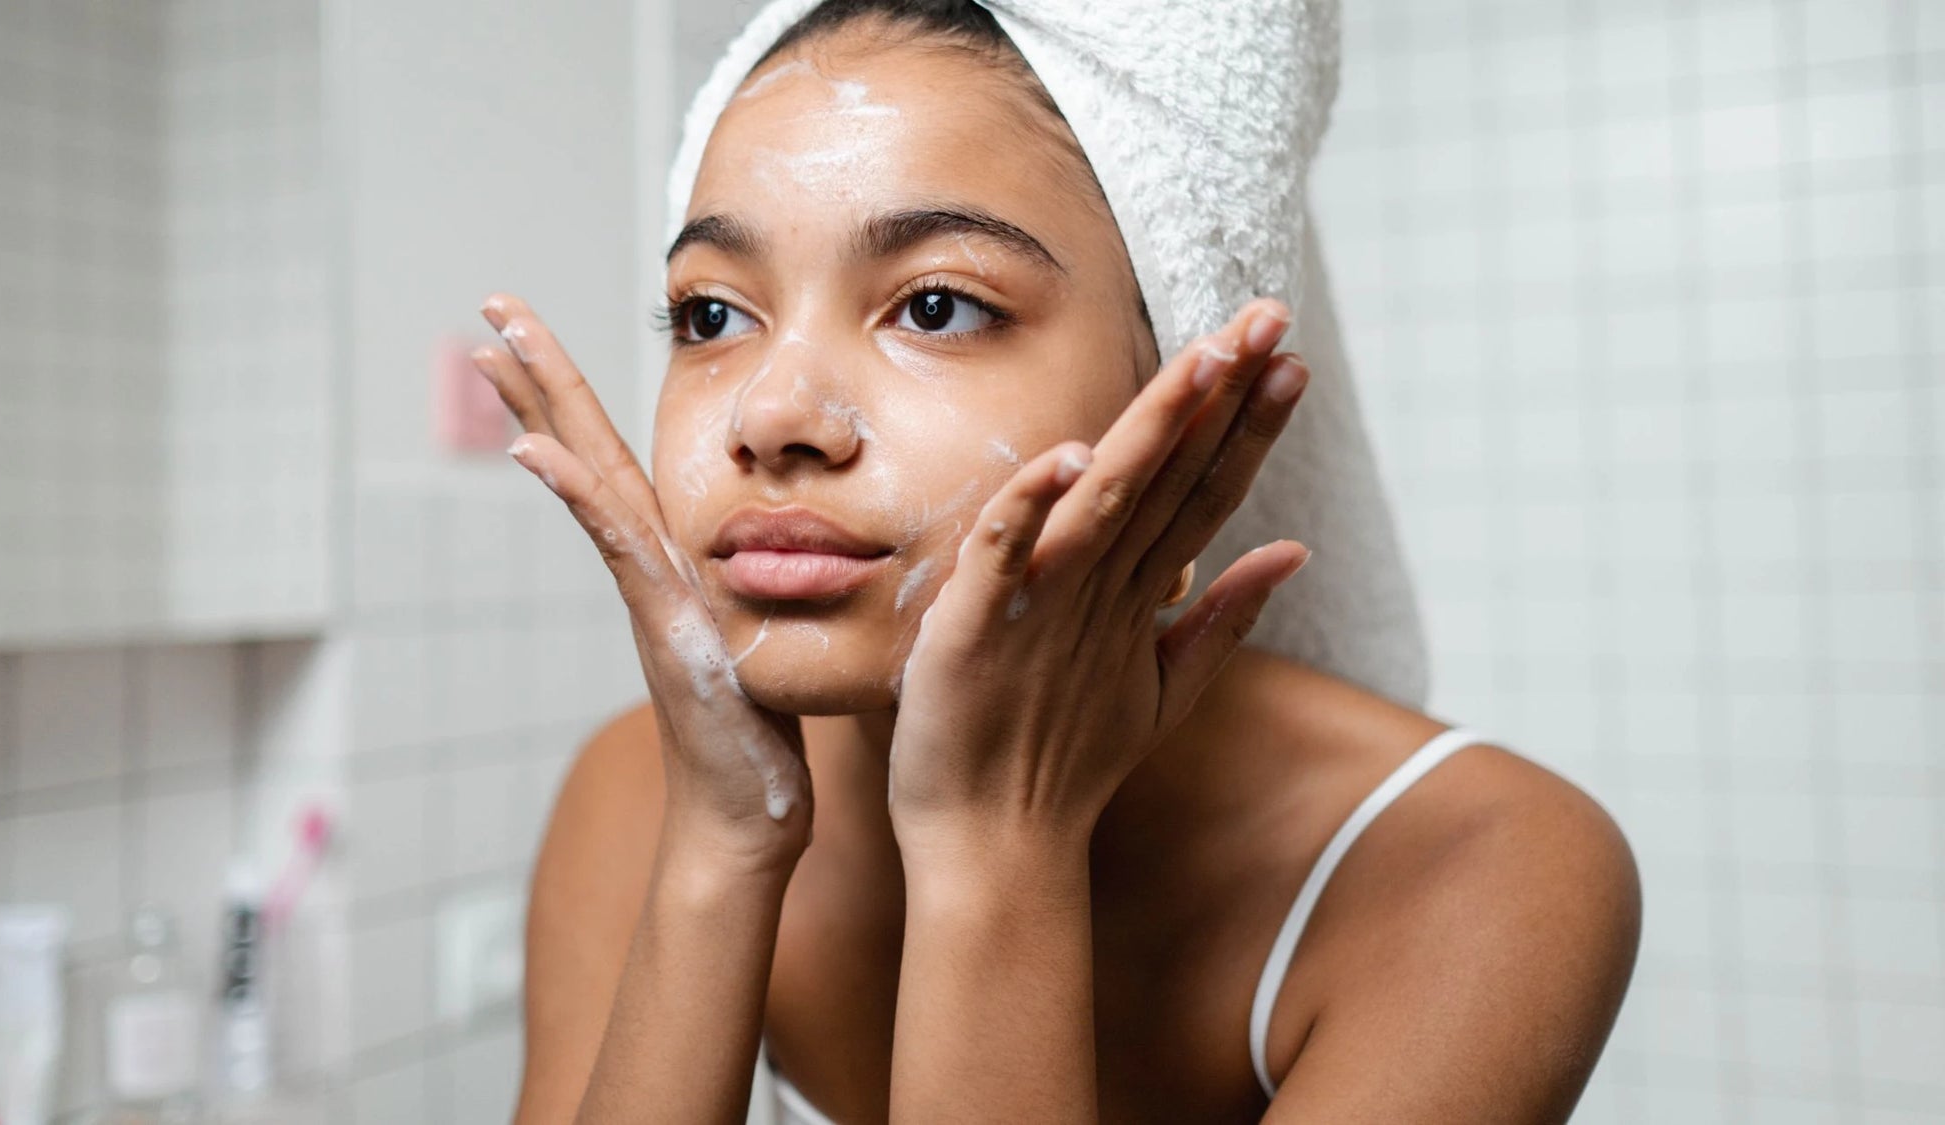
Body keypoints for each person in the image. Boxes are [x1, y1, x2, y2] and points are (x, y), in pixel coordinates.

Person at [479, 2, 1640, 1121]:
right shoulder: (647, 796)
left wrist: (996, 842)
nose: (772, 413)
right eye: (712, 317)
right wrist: (723, 847)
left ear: (1186, 407)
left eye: (935, 306)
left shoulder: (1476, 872)